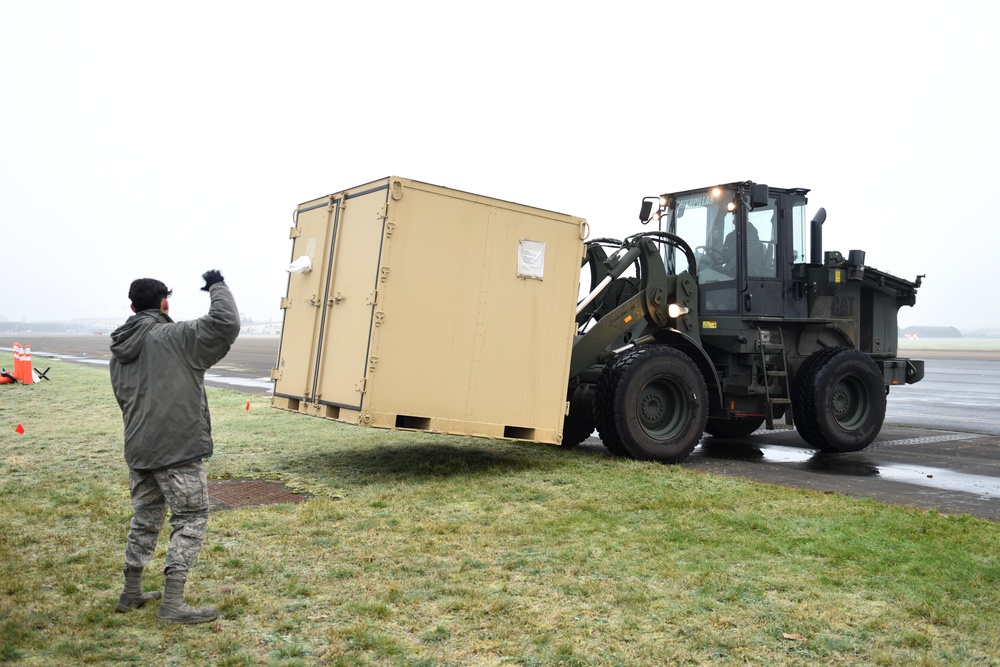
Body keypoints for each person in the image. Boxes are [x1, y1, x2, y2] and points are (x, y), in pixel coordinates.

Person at [109, 270, 240, 624]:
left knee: (145, 519)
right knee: (191, 516)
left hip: (139, 449)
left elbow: (125, 400)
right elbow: (224, 323)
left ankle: (131, 592)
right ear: (164, 302)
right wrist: (216, 285)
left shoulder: (119, 349)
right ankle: (172, 604)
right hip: (177, 449)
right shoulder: (175, 336)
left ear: (133, 306)